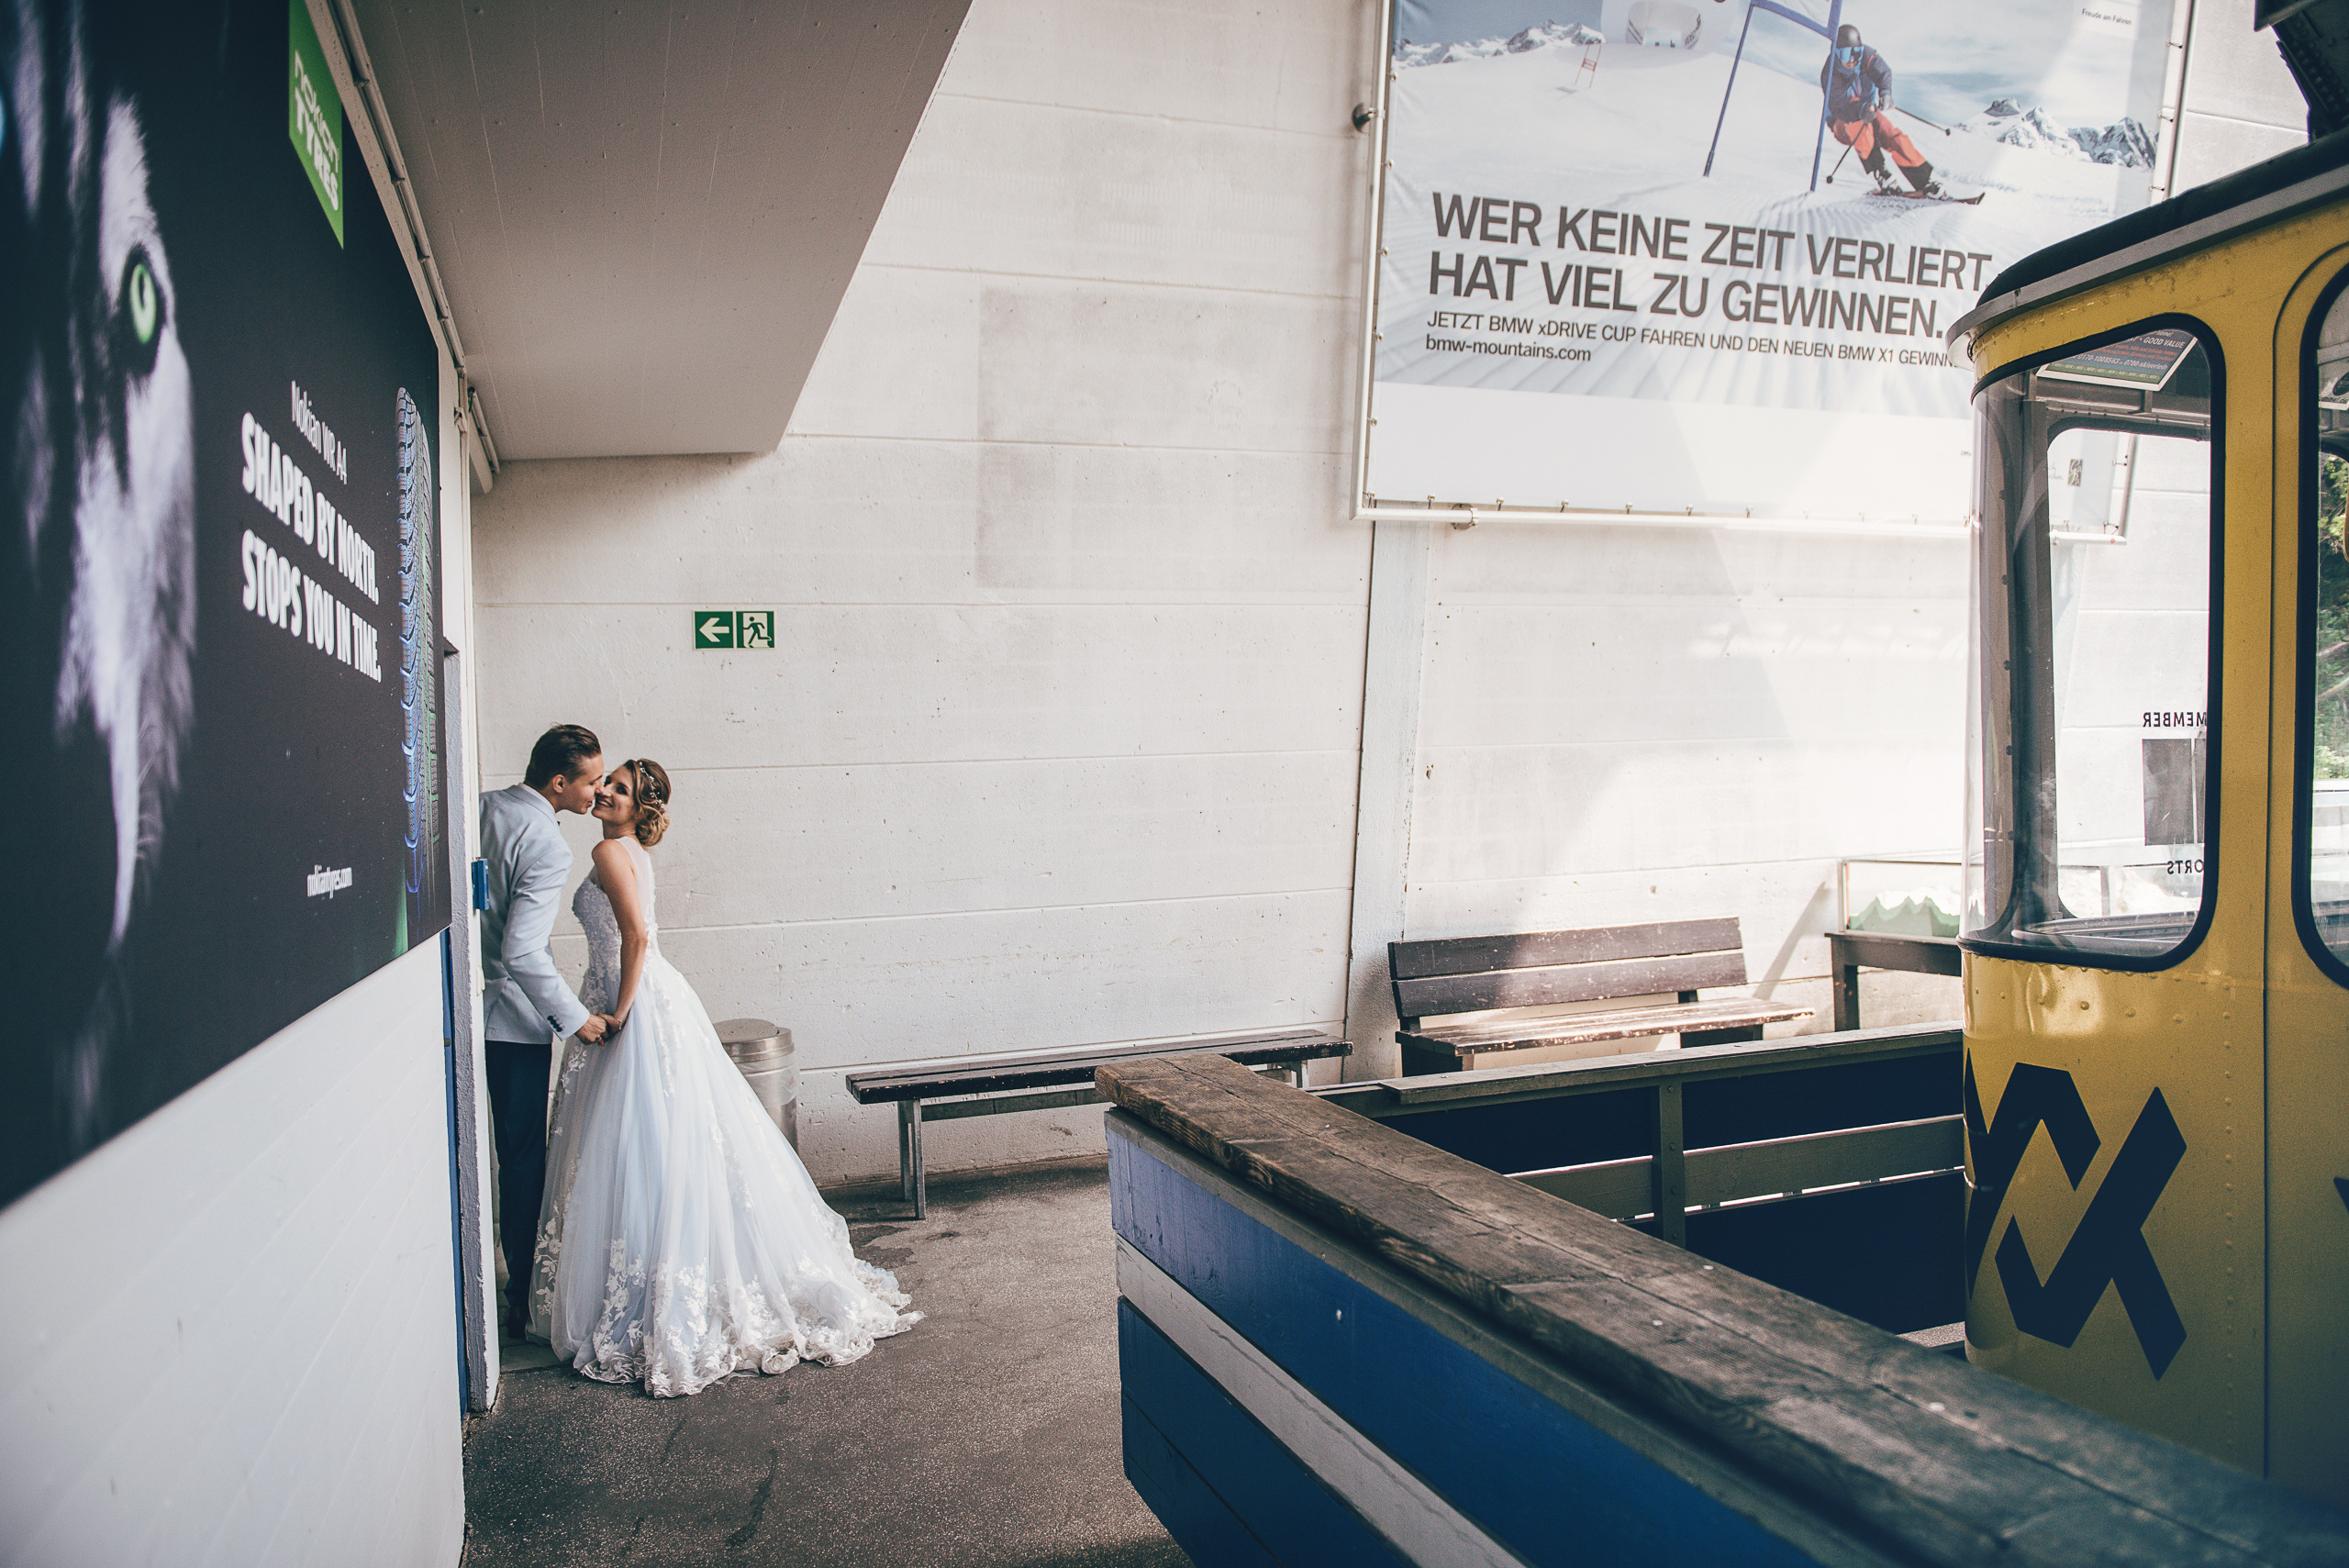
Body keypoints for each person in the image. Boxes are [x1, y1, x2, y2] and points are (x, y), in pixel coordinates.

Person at [529, 759, 917, 1396]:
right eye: (607, 783)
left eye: (619, 789)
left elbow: (635, 937)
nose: (604, 792)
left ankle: (657, 1286)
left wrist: (619, 1011)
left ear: (636, 808)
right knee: (655, 1145)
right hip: (641, 994)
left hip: (636, 1001)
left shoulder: (607, 849)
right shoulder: (626, 850)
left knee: (641, 1143)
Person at [479, 723, 611, 1340]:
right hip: (513, 1021)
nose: (597, 790)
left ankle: (511, 1291)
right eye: (590, 781)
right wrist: (574, 1016)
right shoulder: (548, 843)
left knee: (508, 1157)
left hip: (470, 1012)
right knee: (525, 1161)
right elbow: (523, 951)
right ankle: (520, 1298)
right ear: (559, 782)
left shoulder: (482, 808)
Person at [1819, 24, 1942, 197]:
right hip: (1843, 123)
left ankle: (1924, 182)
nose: (1853, 60)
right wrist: (1861, 109)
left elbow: (1883, 72)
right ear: (1837, 53)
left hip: (1869, 111)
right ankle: (1882, 174)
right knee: (1860, 124)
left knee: (1891, 134)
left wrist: (1885, 93)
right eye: (1847, 54)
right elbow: (1839, 106)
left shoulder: (1866, 56)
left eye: (1856, 53)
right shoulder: (1830, 73)